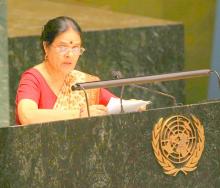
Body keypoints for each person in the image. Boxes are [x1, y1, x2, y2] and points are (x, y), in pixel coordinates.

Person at [15, 16, 116, 125]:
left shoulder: (83, 81)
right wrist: (79, 114)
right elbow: (27, 116)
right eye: (63, 47)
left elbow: (118, 105)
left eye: (76, 48)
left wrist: (136, 105)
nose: (70, 54)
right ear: (46, 46)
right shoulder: (33, 78)